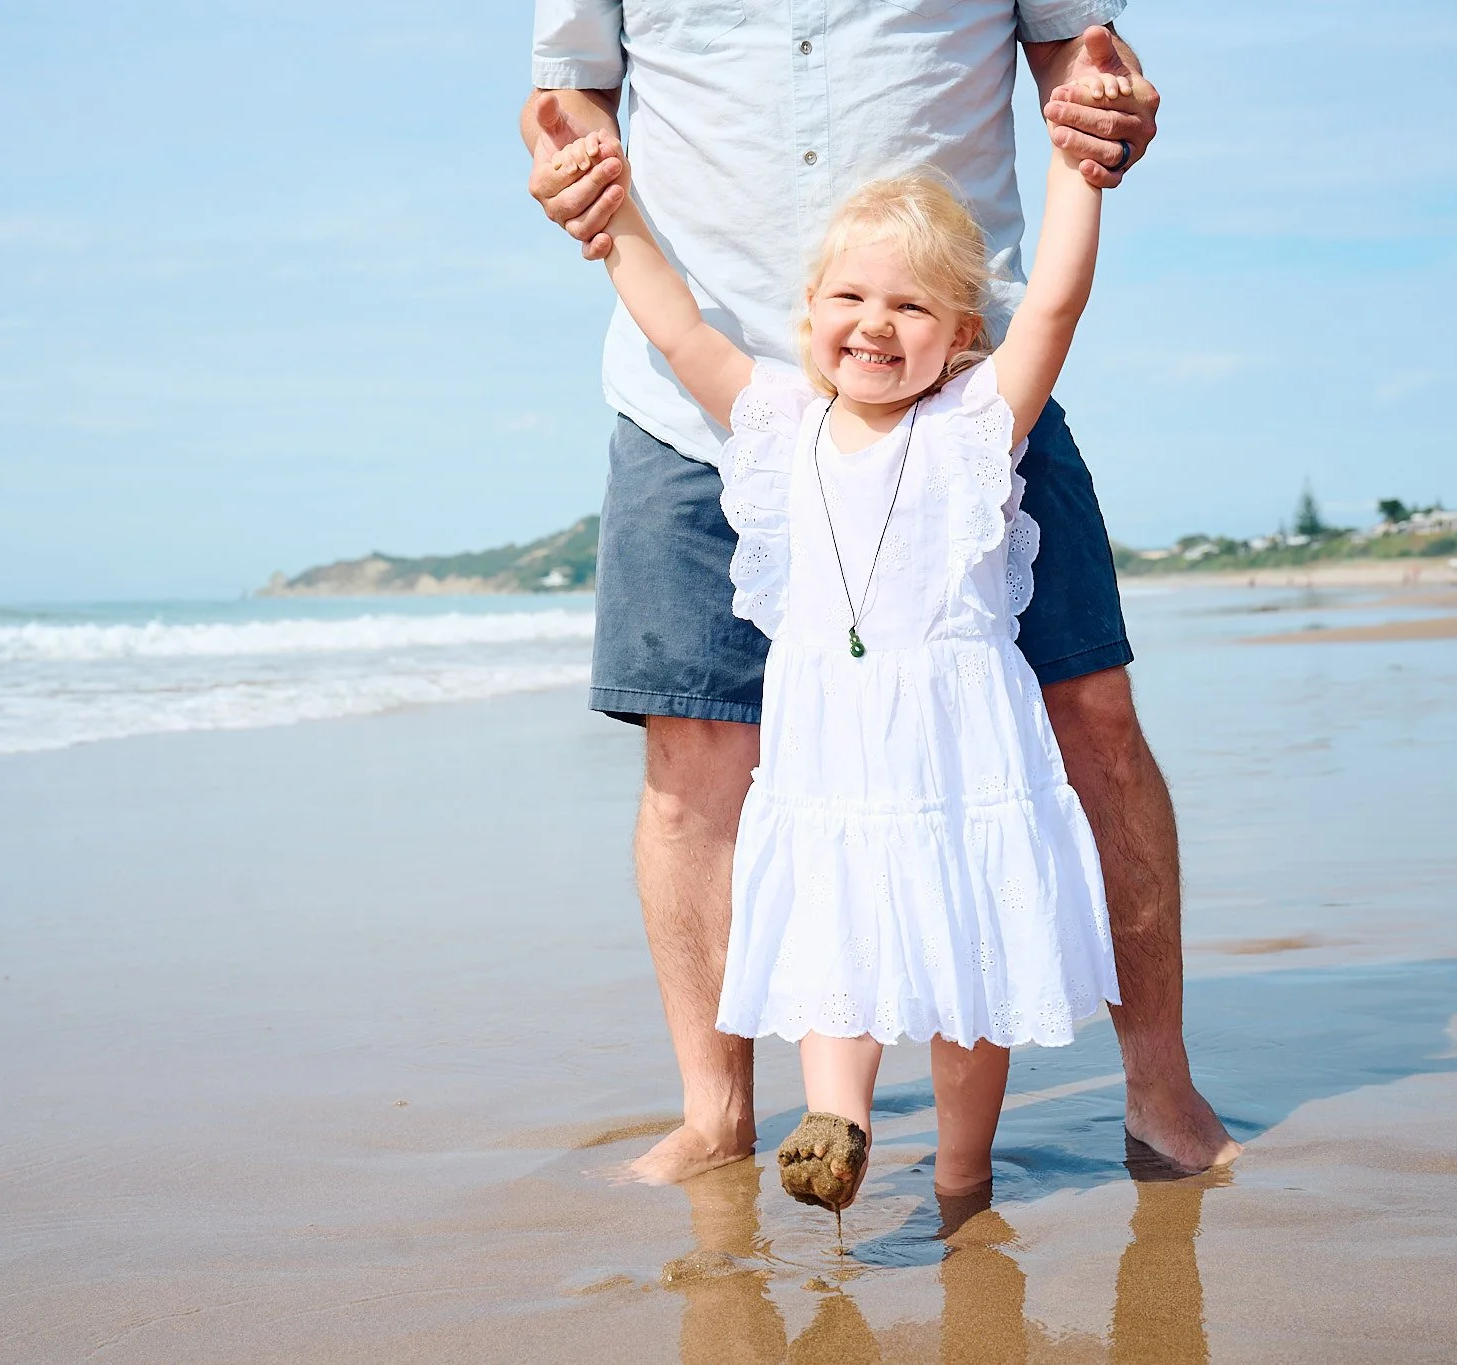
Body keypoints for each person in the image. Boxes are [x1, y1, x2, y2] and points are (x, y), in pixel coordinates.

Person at [524, 2, 1240, 1180]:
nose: (873, 327)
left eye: (903, 309)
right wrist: (584, 179)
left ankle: (1117, 1108)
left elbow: (1058, 259)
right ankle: (734, 1118)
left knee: (1089, 735)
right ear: (817, 317)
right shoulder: (768, 415)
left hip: (969, 442)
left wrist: (1089, 139)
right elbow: (567, 102)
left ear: (944, 326)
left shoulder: (977, 421)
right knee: (705, 780)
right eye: (854, 308)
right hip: (698, 406)